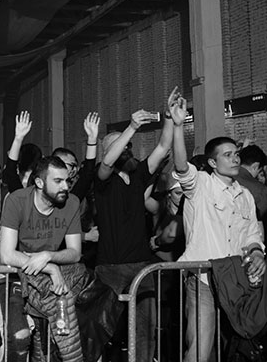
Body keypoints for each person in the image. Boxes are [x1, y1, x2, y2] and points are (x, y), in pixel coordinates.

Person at [169, 96, 265, 362]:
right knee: (201, 350)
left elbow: (252, 235)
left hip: (237, 282)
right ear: (212, 163)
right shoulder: (201, 185)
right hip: (203, 280)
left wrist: (257, 252)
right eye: (227, 155)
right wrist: (178, 126)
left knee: (237, 348)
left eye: (236, 154)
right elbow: (181, 167)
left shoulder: (245, 195)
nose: (235, 159)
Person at [94, 89, 177, 362]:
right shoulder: (102, 180)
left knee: (145, 332)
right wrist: (130, 126)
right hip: (110, 267)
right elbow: (107, 161)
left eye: (129, 145)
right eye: (122, 145)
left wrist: (169, 117)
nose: (127, 149)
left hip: (141, 266)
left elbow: (163, 147)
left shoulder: (138, 174)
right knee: (105, 331)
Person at [0, 156, 86, 362]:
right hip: (17, 279)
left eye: (67, 180)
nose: (65, 186)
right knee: (19, 339)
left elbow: (75, 252)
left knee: (52, 343)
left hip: (50, 283)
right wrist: (51, 268)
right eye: (58, 181)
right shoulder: (17, 200)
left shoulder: (71, 202)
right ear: (39, 182)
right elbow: (7, 255)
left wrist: (47, 256)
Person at [236, 144, 267, 223]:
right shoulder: (260, 189)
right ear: (255, 166)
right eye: (259, 171)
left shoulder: (225, 177)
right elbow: (258, 219)